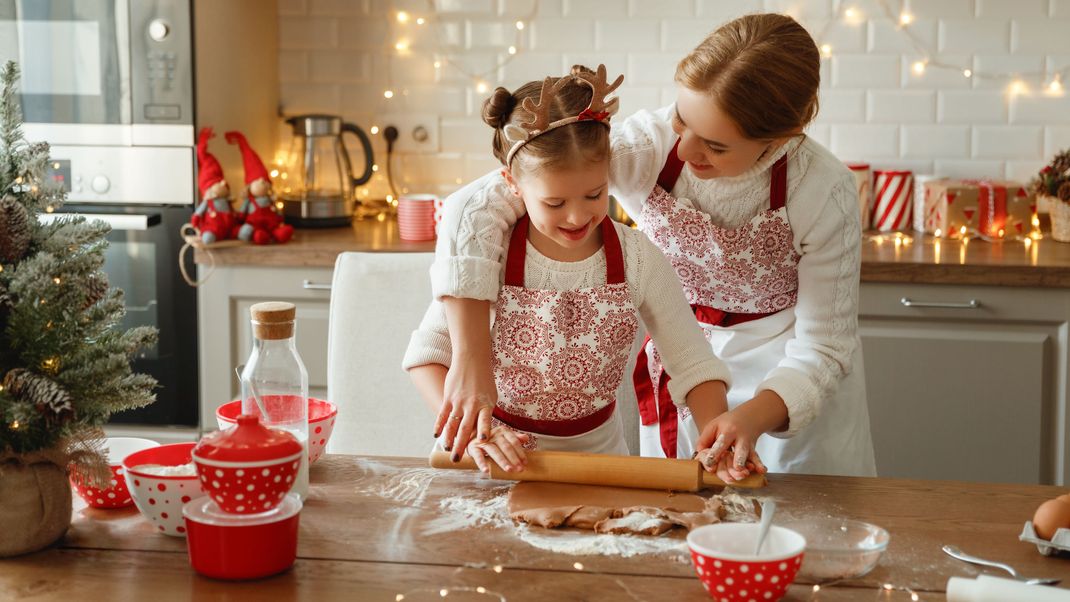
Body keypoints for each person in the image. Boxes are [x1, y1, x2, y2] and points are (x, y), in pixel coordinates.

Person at [428, 14, 876, 478]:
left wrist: (750, 418)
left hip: (789, 383)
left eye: (716, 146)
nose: (682, 151)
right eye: (682, 119)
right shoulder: (647, 146)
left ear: (781, 136)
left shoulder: (823, 190)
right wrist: (470, 362)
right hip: (690, 382)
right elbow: (481, 201)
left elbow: (824, 347)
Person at [403, 66, 753, 480]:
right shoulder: (487, 256)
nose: (576, 215)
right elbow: (426, 358)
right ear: (512, 185)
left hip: (600, 463)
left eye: (594, 194)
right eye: (554, 203)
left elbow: (693, 364)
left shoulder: (638, 259)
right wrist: (478, 431)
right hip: (492, 462)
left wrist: (716, 434)